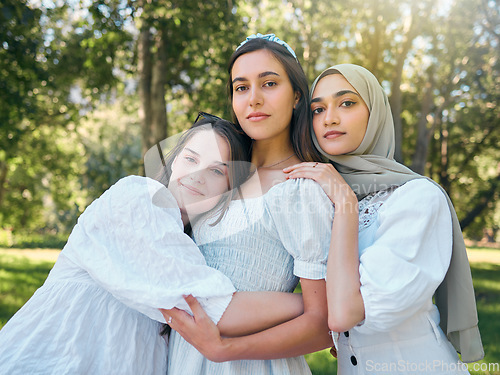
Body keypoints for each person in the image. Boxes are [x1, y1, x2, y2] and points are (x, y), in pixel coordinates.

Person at [0, 116, 306, 375]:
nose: (198, 175)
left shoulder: (191, 246)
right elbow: (214, 309)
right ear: (173, 163)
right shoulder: (139, 199)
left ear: (229, 189)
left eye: (216, 171)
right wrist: (319, 310)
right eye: (191, 159)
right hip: (54, 362)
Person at [284, 63, 484, 373]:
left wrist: (345, 202)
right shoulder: (322, 197)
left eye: (347, 103)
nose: (330, 118)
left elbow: (342, 314)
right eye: (318, 109)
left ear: (375, 112)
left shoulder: (417, 198)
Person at [163, 34, 333, 374]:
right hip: (182, 358)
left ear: (297, 96)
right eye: (241, 88)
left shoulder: (300, 188)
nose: (253, 99)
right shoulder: (219, 171)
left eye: (269, 83)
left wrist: (224, 350)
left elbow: (323, 324)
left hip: (246, 364)